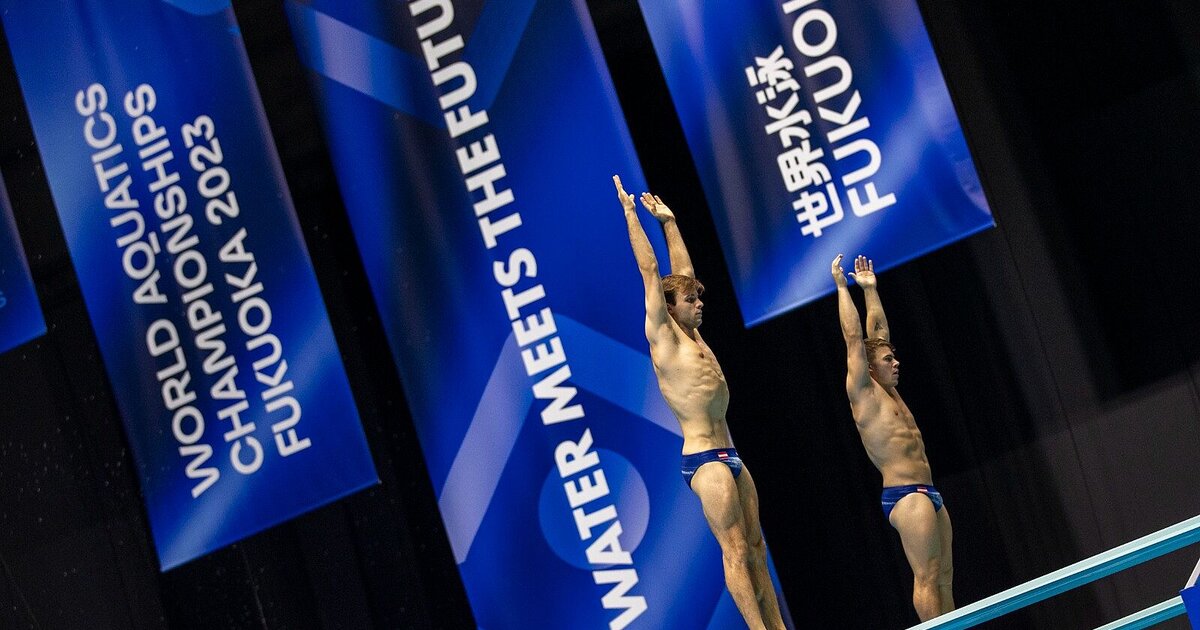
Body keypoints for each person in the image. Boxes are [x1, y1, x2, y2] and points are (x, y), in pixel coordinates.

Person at [614, 175, 784, 629]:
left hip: (731, 453)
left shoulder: (695, 334)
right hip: (705, 460)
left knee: (756, 549)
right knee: (734, 551)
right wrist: (633, 216)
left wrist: (670, 223)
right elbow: (653, 273)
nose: (699, 303)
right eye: (690, 300)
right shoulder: (663, 337)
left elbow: (681, 271)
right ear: (670, 307)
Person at [832, 253, 954, 621]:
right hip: (905, 496)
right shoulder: (863, 393)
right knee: (927, 578)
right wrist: (842, 288)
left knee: (945, 580)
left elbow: (878, 331)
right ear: (869, 368)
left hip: (929, 491)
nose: (895, 362)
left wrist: (870, 291)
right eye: (887, 360)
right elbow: (855, 338)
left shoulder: (891, 391)